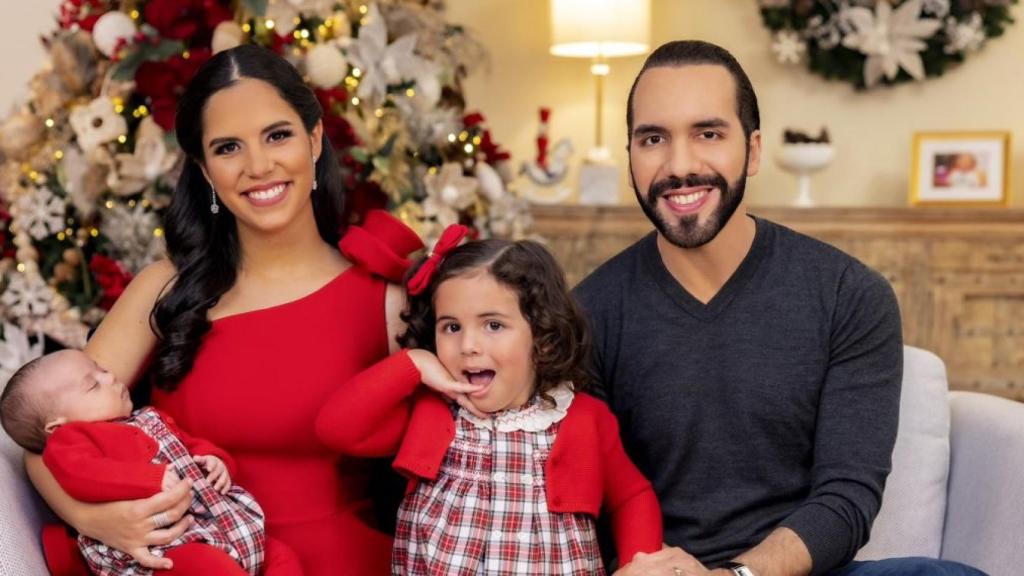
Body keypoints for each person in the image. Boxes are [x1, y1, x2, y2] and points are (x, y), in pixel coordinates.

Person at [572, 40, 987, 576]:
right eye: (653, 138)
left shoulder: (848, 295)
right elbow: (588, 501)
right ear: (630, 154)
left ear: (755, 149)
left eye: (709, 133)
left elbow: (846, 497)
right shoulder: (586, 313)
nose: (679, 165)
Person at [24, 44, 423, 576]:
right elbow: (45, 439)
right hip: (186, 560)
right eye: (228, 147)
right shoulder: (165, 288)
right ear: (206, 170)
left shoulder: (386, 299)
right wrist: (98, 521)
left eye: (277, 135)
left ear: (315, 138)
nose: (258, 166)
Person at [315, 226, 663, 575]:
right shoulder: (431, 412)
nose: (468, 345)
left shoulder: (581, 418)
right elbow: (336, 428)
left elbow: (631, 497)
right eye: (451, 327)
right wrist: (413, 364)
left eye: (493, 325)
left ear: (542, 336)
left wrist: (639, 564)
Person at [1, 349, 278, 575]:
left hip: (215, 522)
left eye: (102, 369)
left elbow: (189, 444)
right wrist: (150, 479)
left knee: (279, 554)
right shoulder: (70, 441)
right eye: (94, 384)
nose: (111, 378)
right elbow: (84, 475)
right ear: (56, 427)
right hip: (168, 545)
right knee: (205, 567)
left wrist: (215, 460)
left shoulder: (149, 417)